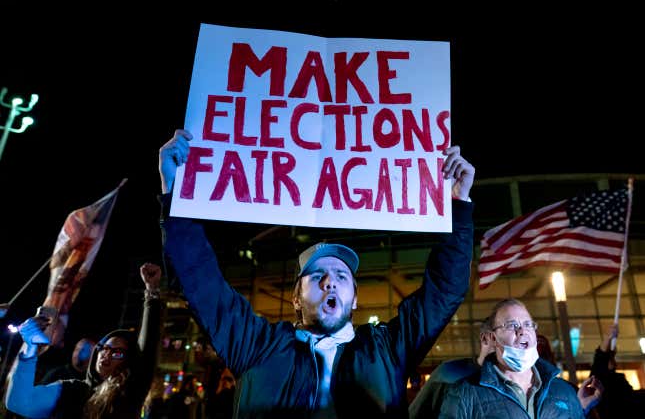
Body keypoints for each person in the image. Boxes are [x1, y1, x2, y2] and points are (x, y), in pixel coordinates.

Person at [159, 129, 475, 418]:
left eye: (341, 276)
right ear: (296, 299)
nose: (329, 281)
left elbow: (445, 290)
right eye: (316, 275)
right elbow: (199, 281)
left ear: (354, 300)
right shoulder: (257, 345)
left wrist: (459, 206)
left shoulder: (389, 349)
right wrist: (174, 191)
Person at [4, 262, 162, 419]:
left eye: (117, 353)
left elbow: (148, 349)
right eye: (103, 348)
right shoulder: (71, 389)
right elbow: (19, 403)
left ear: (129, 362)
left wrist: (152, 292)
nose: (106, 355)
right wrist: (30, 348)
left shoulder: (129, 394)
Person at [438, 298, 603, 418]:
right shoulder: (463, 394)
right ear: (492, 338)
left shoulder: (566, 392)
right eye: (511, 325)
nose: (522, 331)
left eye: (528, 324)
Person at [409, 319, 494, 419]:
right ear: (485, 338)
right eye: (510, 327)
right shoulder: (448, 373)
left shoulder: (512, 383)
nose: (517, 336)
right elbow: (415, 413)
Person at [590, 323, 638, 418]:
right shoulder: (599, 378)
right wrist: (608, 337)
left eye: (613, 357)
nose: (614, 361)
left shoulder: (619, 379)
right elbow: (600, 357)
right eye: (611, 358)